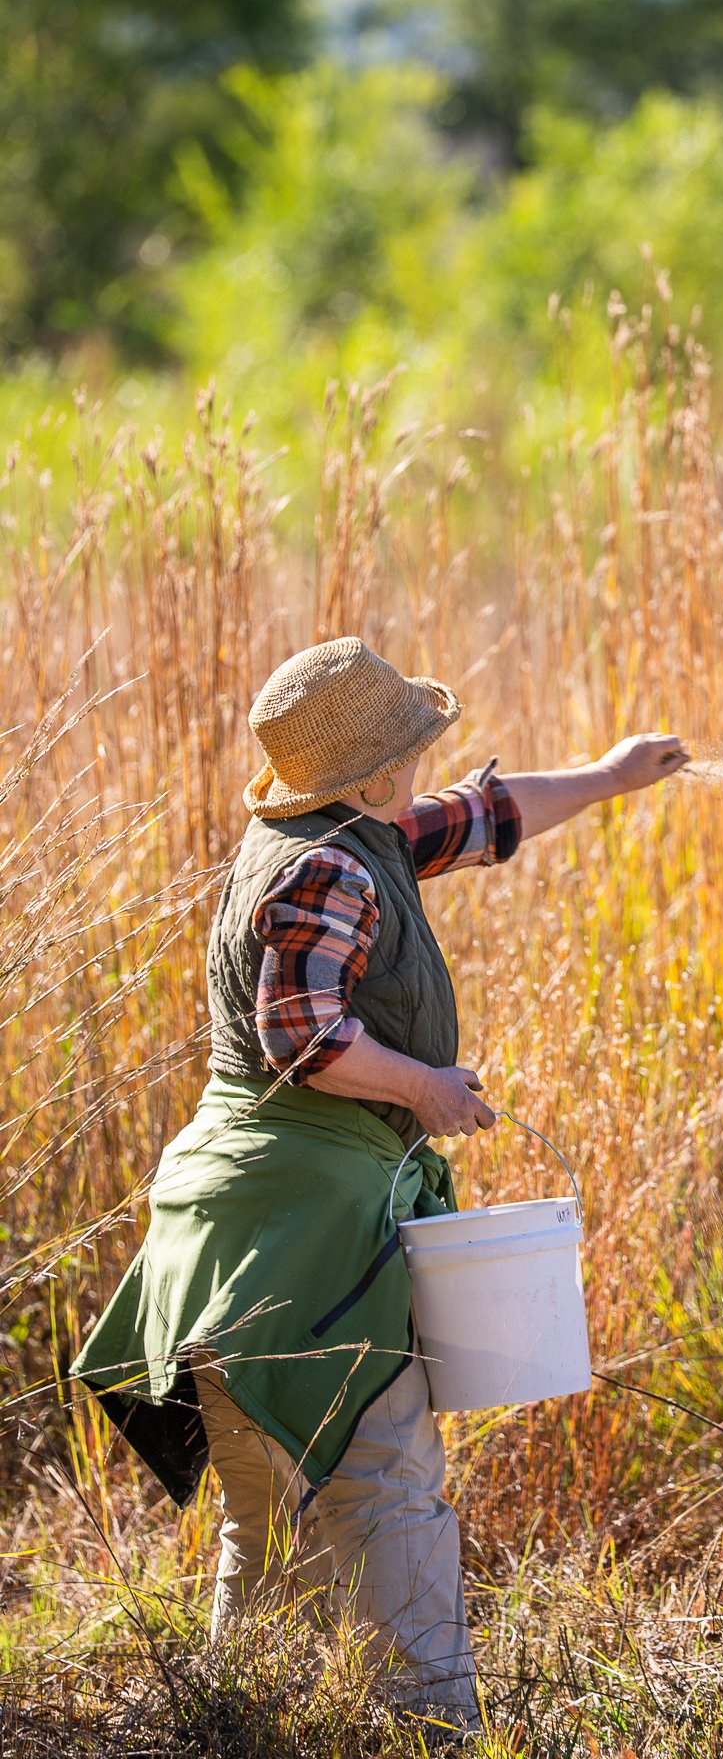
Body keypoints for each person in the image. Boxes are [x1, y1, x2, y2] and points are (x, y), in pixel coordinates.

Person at [73, 637, 688, 1741]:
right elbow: (303, 1034)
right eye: (405, 748)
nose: (421, 764)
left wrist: (607, 773)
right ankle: (435, 1727)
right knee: (386, 1483)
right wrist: (429, 1087)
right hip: (300, 1227)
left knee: (259, 1512)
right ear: (366, 777)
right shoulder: (334, 868)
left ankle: (236, 1723)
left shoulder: (332, 835)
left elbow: (482, 816)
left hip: (221, 1229)